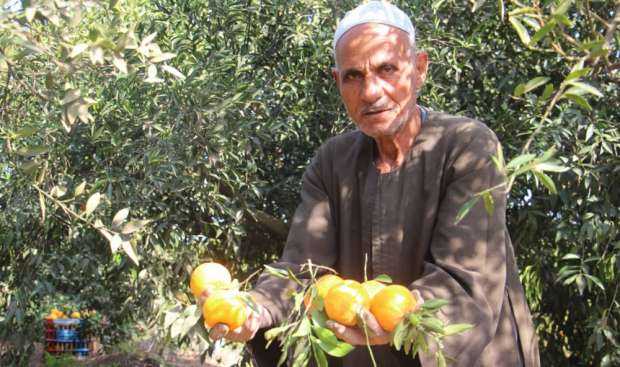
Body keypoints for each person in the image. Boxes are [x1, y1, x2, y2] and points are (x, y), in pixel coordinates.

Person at [205, 1, 541, 366]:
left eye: (387, 69)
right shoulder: (331, 163)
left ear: (419, 69)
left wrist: (402, 319)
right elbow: (302, 270)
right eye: (353, 76)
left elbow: (467, 278)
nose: (371, 92)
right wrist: (256, 309)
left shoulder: (467, 146)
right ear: (337, 83)